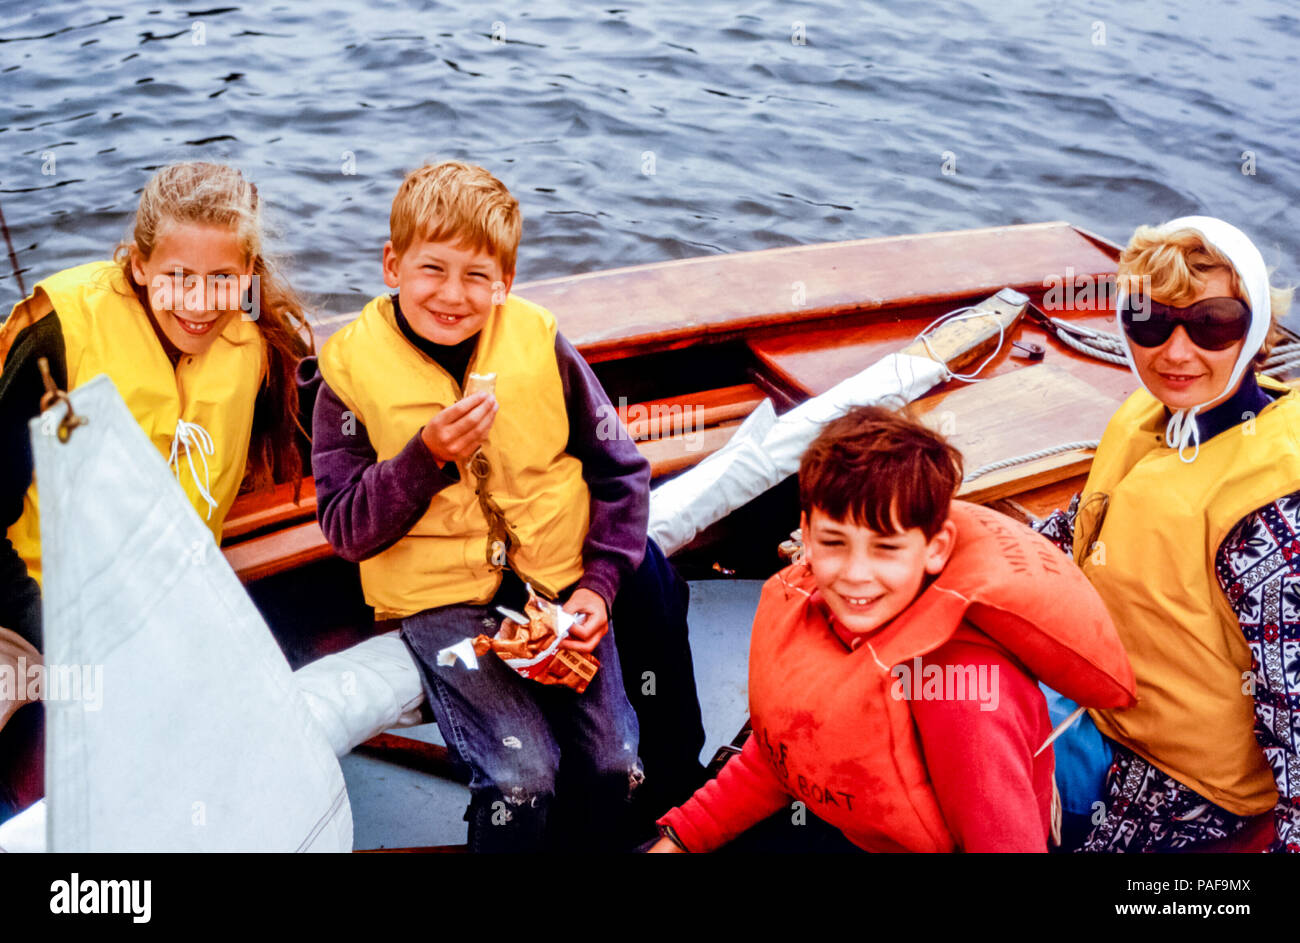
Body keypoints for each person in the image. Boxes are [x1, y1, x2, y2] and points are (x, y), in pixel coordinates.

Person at [311, 160, 680, 852]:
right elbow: (346, 528)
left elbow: (622, 470)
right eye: (432, 269)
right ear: (392, 265)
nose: (452, 294)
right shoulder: (347, 376)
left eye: (477, 275)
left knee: (616, 764)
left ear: (505, 282)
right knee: (521, 777)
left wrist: (600, 587)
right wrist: (425, 458)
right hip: (444, 605)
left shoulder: (541, 342)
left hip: (561, 589)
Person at [649, 406, 1134, 853]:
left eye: (886, 548)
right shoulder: (811, 608)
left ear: (936, 548)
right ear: (807, 535)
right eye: (835, 542)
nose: (857, 574)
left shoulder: (961, 698)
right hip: (850, 822)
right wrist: (680, 838)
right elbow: (783, 756)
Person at [0, 161, 312, 821]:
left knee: (236, 760)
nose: (199, 303)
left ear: (247, 273)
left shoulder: (257, 346)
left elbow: (321, 450)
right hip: (28, 607)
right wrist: (64, 648)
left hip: (167, 611)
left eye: (222, 279)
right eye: (177, 277)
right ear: (139, 266)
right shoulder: (58, 336)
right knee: (47, 788)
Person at [1035, 216, 1300, 853]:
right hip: (1094, 699)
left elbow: (1295, 712)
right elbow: (1071, 532)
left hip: (1177, 778)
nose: (1176, 352)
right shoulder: (1154, 420)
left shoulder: (1270, 513)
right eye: (1151, 323)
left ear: (1257, 326)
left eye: (1212, 324)